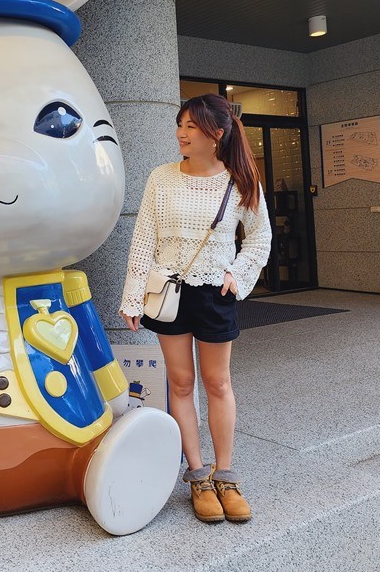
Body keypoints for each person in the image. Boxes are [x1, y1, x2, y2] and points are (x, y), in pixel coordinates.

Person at [119, 93, 271, 523]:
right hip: (169, 292)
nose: (181, 133)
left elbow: (260, 239)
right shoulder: (161, 178)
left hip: (215, 294)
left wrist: (237, 276)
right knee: (181, 384)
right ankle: (198, 475)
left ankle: (226, 474)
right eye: (180, 124)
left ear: (216, 134)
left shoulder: (241, 180)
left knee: (217, 383)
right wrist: (132, 296)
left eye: (190, 126)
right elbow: (144, 239)